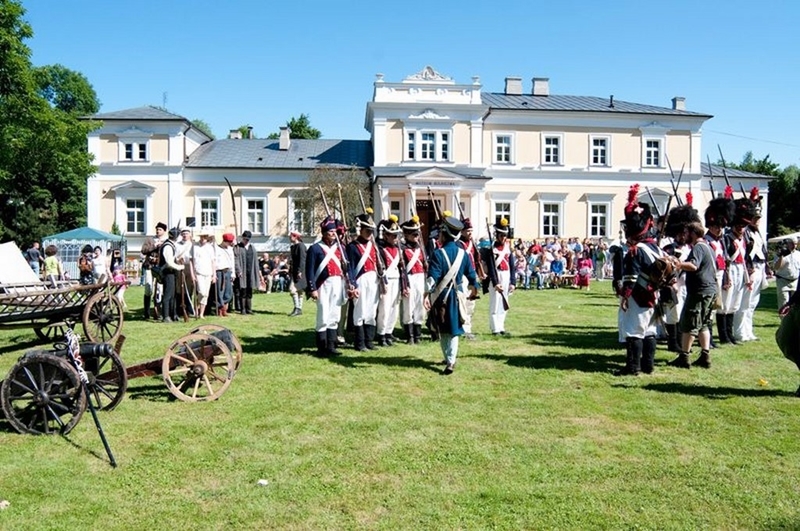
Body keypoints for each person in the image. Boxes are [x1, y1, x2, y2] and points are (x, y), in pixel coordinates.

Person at [616, 184, 664, 376]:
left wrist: (625, 296)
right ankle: (648, 366)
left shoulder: (636, 251)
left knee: (634, 331)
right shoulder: (655, 248)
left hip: (638, 296)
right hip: (654, 295)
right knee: (650, 331)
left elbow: (631, 278)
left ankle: (633, 367)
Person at [424, 216, 479, 375]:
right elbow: (471, 275)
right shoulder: (463, 254)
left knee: (444, 328)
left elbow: (432, 278)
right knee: (452, 328)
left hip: (441, 297)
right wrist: (474, 288)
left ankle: (450, 361)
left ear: (444, 234)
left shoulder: (438, 254)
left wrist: (425, 295)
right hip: (456, 295)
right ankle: (450, 358)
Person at [669, 220, 719, 368]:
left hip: (700, 291)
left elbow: (693, 265)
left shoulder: (698, 247)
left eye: (687, 233)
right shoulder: (708, 247)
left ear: (693, 233)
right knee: (703, 324)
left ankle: (684, 357)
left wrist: (676, 263)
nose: (685, 237)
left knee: (689, 324)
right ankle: (705, 355)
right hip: (709, 291)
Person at [306, 215, 351, 357]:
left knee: (335, 315)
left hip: (337, 283)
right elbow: (310, 270)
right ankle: (321, 347)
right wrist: (312, 288)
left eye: (334, 232)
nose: (333, 234)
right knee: (323, 315)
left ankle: (331, 345)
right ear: (324, 233)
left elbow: (346, 267)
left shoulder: (341, 248)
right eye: (330, 232)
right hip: (323, 285)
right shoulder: (315, 249)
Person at [703, 186, 736, 348]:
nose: (719, 229)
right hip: (710, 275)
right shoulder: (706, 241)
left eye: (721, 227)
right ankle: (708, 337)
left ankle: (721, 335)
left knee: (720, 306)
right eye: (717, 226)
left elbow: (725, 260)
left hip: (721, 274)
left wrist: (726, 276)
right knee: (710, 308)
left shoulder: (721, 241)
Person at [734, 188, 769, 342]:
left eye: (758, 218)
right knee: (744, 302)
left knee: (753, 303)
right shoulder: (746, 232)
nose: (757, 220)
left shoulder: (757, 232)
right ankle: (740, 331)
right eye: (754, 218)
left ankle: (748, 330)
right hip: (750, 267)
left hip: (759, 267)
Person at [718, 198, 753, 344]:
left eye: (743, 226)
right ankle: (723, 335)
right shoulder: (726, 239)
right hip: (730, 270)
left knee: (735, 304)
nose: (741, 228)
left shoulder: (744, 239)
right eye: (738, 225)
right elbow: (726, 258)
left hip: (740, 270)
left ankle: (730, 334)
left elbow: (745, 258)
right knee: (725, 304)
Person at [347, 211, 381, 351]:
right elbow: (350, 267)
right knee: (360, 311)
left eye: (371, 230)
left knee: (371, 312)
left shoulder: (373, 246)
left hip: (373, 280)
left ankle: (369, 340)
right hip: (360, 280)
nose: (369, 233)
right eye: (367, 230)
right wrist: (352, 284)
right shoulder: (352, 246)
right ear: (360, 229)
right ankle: (359, 343)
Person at [480, 217, 516, 336]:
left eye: (505, 236)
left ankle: (501, 327)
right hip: (496, 277)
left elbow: (511, 266)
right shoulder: (492, 249)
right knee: (495, 303)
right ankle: (495, 328)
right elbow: (491, 268)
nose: (503, 238)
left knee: (503, 303)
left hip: (506, 276)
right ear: (497, 235)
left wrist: (513, 282)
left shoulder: (508, 249)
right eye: (501, 235)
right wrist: (495, 283)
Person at [376, 216, 405, 346]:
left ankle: (389, 332)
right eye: (392, 235)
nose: (395, 238)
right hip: (386, 281)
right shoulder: (381, 249)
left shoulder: (398, 249)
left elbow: (401, 268)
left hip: (396, 280)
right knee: (385, 308)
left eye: (396, 236)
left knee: (394, 307)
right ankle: (381, 334)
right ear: (386, 236)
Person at [400, 216, 427, 344]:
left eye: (417, 233)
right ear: (406, 234)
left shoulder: (420, 247)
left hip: (420, 277)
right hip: (409, 277)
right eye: (414, 234)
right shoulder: (403, 248)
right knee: (408, 306)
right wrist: (405, 285)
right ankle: (409, 335)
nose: (416, 236)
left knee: (419, 306)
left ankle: (418, 335)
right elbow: (402, 269)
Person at [457, 218, 481, 339]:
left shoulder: (473, 244)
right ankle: (464, 328)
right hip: (463, 277)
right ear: (462, 231)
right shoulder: (458, 244)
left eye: (471, 230)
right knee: (463, 302)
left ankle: (468, 326)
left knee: (471, 303)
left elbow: (477, 260)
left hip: (472, 275)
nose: (470, 233)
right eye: (467, 230)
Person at [140, 222, 168, 319]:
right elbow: (143, 250)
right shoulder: (150, 240)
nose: (158, 231)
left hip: (160, 268)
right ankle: (146, 312)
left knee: (159, 290)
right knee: (148, 289)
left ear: (164, 231)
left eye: (160, 229)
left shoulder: (166, 241)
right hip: (149, 267)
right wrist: (154, 246)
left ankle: (158, 311)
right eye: (157, 229)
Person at [159, 228, 184, 322]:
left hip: (171, 272)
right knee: (168, 295)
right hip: (168, 272)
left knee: (173, 295)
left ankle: (173, 314)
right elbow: (169, 262)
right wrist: (179, 267)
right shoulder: (168, 246)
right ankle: (166, 316)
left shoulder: (170, 245)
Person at [236, 230, 261, 315]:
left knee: (249, 290)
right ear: (242, 238)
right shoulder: (238, 247)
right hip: (242, 272)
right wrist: (238, 270)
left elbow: (255, 261)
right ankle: (242, 309)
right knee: (243, 290)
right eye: (244, 239)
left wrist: (257, 272)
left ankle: (249, 309)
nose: (246, 241)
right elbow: (236, 260)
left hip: (250, 272)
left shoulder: (252, 248)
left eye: (247, 239)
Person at [193, 230, 216, 319]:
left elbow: (213, 261)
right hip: (199, 272)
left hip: (208, 273)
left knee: (206, 294)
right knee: (201, 292)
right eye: (202, 237)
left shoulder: (210, 248)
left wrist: (214, 275)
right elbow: (192, 261)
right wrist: (193, 273)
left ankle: (201, 313)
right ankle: (196, 308)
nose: (203, 239)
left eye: (205, 237)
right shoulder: (195, 247)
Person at [773, 238, 800, 310]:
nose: (794, 245)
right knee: (784, 303)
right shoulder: (780, 254)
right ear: (787, 244)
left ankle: (794, 320)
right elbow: (776, 268)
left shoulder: (798, 254)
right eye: (792, 243)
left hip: (795, 282)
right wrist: (782, 256)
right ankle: (784, 320)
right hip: (783, 281)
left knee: (795, 305)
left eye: (796, 244)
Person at [215, 233, 236, 316]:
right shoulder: (216, 249)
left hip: (228, 271)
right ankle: (220, 309)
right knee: (220, 291)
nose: (229, 244)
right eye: (228, 242)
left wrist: (233, 273)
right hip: (219, 271)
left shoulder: (230, 249)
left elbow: (232, 262)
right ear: (224, 241)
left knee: (228, 292)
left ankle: (225, 309)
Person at [288, 230, 307, 317]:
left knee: (293, 290)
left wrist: (300, 271)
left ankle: (297, 308)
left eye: (291, 236)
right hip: (294, 271)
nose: (289, 237)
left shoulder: (301, 246)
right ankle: (299, 309)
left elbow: (302, 260)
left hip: (300, 271)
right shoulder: (293, 247)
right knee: (299, 291)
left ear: (295, 237)